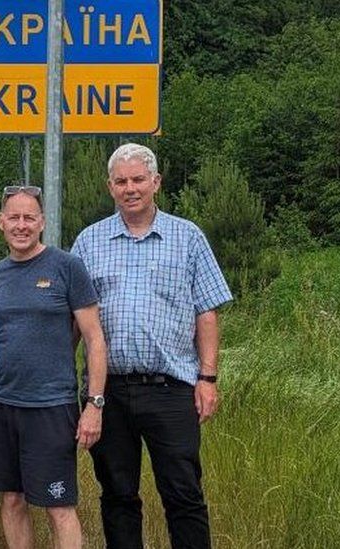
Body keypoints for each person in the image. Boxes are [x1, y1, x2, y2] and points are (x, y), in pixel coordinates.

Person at [71, 143, 233, 549]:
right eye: (121, 181)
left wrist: (208, 378)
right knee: (119, 495)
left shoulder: (188, 236)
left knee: (183, 493)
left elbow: (207, 312)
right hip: (107, 393)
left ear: (156, 183)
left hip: (172, 389)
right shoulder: (89, 242)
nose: (130, 188)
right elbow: (74, 320)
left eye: (138, 179)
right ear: (110, 187)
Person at [0, 185, 108, 549]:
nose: (21, 225)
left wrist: (94, 404)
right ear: (0, 222)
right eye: (13, 217)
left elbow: (94, 339)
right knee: (12, 499)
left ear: (42, 222)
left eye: (29, 217)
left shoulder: (67, 267)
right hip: (1, 406)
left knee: (57, 506)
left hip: (51, 407)